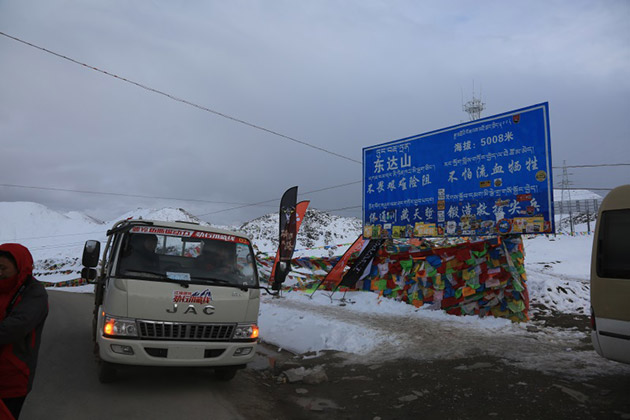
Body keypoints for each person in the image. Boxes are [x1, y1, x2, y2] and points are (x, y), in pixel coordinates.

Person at [0, 243, 48, 420]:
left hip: (14, 375)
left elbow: (17, 326)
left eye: (3, 268)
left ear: (19, 266)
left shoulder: (34, 293)